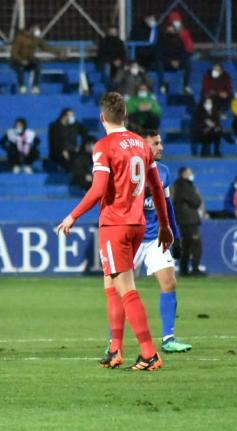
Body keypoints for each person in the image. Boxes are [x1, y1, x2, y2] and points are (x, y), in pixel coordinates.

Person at [57, 92, 174, 371]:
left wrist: (72, 215)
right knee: (111, 284)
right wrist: (165, 224)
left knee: (124, 287)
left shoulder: (104, 146)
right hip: (138, 224)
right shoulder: (141, 145)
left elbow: (98, 189)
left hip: (115, 225)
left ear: (102, 117)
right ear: (125, 115)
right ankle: (115, 348)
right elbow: (156, 188)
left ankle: (149, 353)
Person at [128, 129, 191, 353]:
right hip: (130, 238)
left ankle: (168, 338)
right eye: (155, 144)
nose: (160, 147)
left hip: (155, 238)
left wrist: (175, 235)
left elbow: (167, 206)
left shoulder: (163, 172)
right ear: (143, 146)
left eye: (160, 143)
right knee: (120, 292)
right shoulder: (128, 170)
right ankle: (113, 344)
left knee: (169, 282)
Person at [172, 167, 205, 276]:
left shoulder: (176, 186)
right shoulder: (186, 185)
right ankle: (195, 268)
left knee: (185, 245)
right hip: (189, 219)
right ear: (183, 174)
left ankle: (184, 269)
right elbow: (196, 201)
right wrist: (197, 195)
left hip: (182, 219)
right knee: (195, 244)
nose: (191, 175)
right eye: (189, 173)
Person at [10, 25, 60, 95]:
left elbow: (45, 47)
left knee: (37, 65)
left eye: (38, 29)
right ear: (31, 29)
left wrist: (57, 52)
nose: (38, 31)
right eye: (36, 29)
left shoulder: (36, 39)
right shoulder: (20, 38)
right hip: (16, 61)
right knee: (20, 68)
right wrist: (21, 60)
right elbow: (14, 53)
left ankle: (35, 87)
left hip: (29, 60)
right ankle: (22, 86)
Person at [157, 11, 193, 95]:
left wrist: (178, 60)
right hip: (166, 61)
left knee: (188, 64)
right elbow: (160, 53)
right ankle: (162, 86)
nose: (172, 29)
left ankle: (186, 86)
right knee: (159, 63)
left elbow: (184, 51)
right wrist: (170, 61)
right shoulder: (162, 38)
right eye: (170, 27)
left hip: (177, 61)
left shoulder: (179, 38)